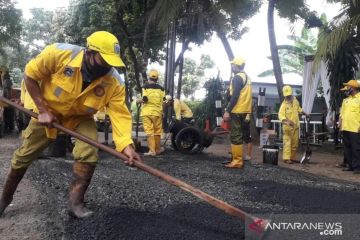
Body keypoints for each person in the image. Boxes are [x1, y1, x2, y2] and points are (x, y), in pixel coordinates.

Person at [0, 31, 142, 219]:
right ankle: (4, 199)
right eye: (104, 60)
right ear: (90, 52)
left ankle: (76, 203)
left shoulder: (114, 81)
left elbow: (120, 114)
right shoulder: (59, 54)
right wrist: (42, 110)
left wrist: (126, 145)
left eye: (111, 61)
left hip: (80, 117)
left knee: (89, 150)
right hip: (48, 112)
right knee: (23, 157)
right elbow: (30, 75)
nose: (108, 66)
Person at [222, 56, 252, 169]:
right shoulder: (247, 77)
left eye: (233, 65)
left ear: (237, 66)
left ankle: (237, 161)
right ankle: (236, 158)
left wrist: (228, 111)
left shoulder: (237, 78)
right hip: (245, 110)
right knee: (240, 134)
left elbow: (235, 96)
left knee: (236, 135)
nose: (232, 66)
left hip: (237, 110)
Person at [137, 69, 165, 156]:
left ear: (149, 78)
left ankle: (152, 151)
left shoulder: (144, 87)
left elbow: (145, 99)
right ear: (157, 79)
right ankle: (157, 150)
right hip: (157, 113)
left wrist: (138, 101)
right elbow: (163, 101)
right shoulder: (161, 89)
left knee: (149, 132)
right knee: (157, 132)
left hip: (147, 113)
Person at [278, 85, 308, 164]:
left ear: (291, 94)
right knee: (287, 142)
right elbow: (280, 115)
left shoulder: (295, 101)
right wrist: (287, 122)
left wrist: (305, 113)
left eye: (289, 95)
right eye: (287, 96)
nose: (288, 97)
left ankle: (292, 157)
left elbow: (298, 108)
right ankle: (286, 158)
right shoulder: (283, 105)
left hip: (295, 126)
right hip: (287, 127)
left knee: (295, 143)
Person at [338, 80, 360, 173]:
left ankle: (357, 167)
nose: (347, 89)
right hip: (345, 127)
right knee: (347, 148)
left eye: (349, 87)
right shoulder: (346, 100)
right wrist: (340, 126)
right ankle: (350, 165)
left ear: (354, 87)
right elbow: (341, 114)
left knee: (356, 149)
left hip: (355, 128)